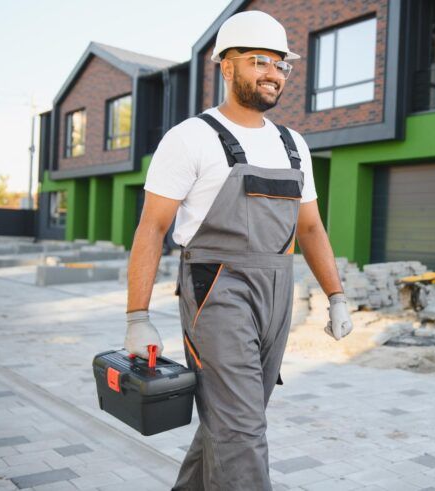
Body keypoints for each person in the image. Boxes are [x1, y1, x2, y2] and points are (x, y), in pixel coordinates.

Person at [124, 10, 354, 490]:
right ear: (227, 68)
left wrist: (336, 295)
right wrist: (136, 316)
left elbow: (310, 228)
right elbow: (151, 228)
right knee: (242, 429)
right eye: (259, 62)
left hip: (277, 289)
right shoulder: (190, 138)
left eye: (280, 65)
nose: (273, 74)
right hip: (216, 289)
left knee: (230, 422)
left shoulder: (294, 144)